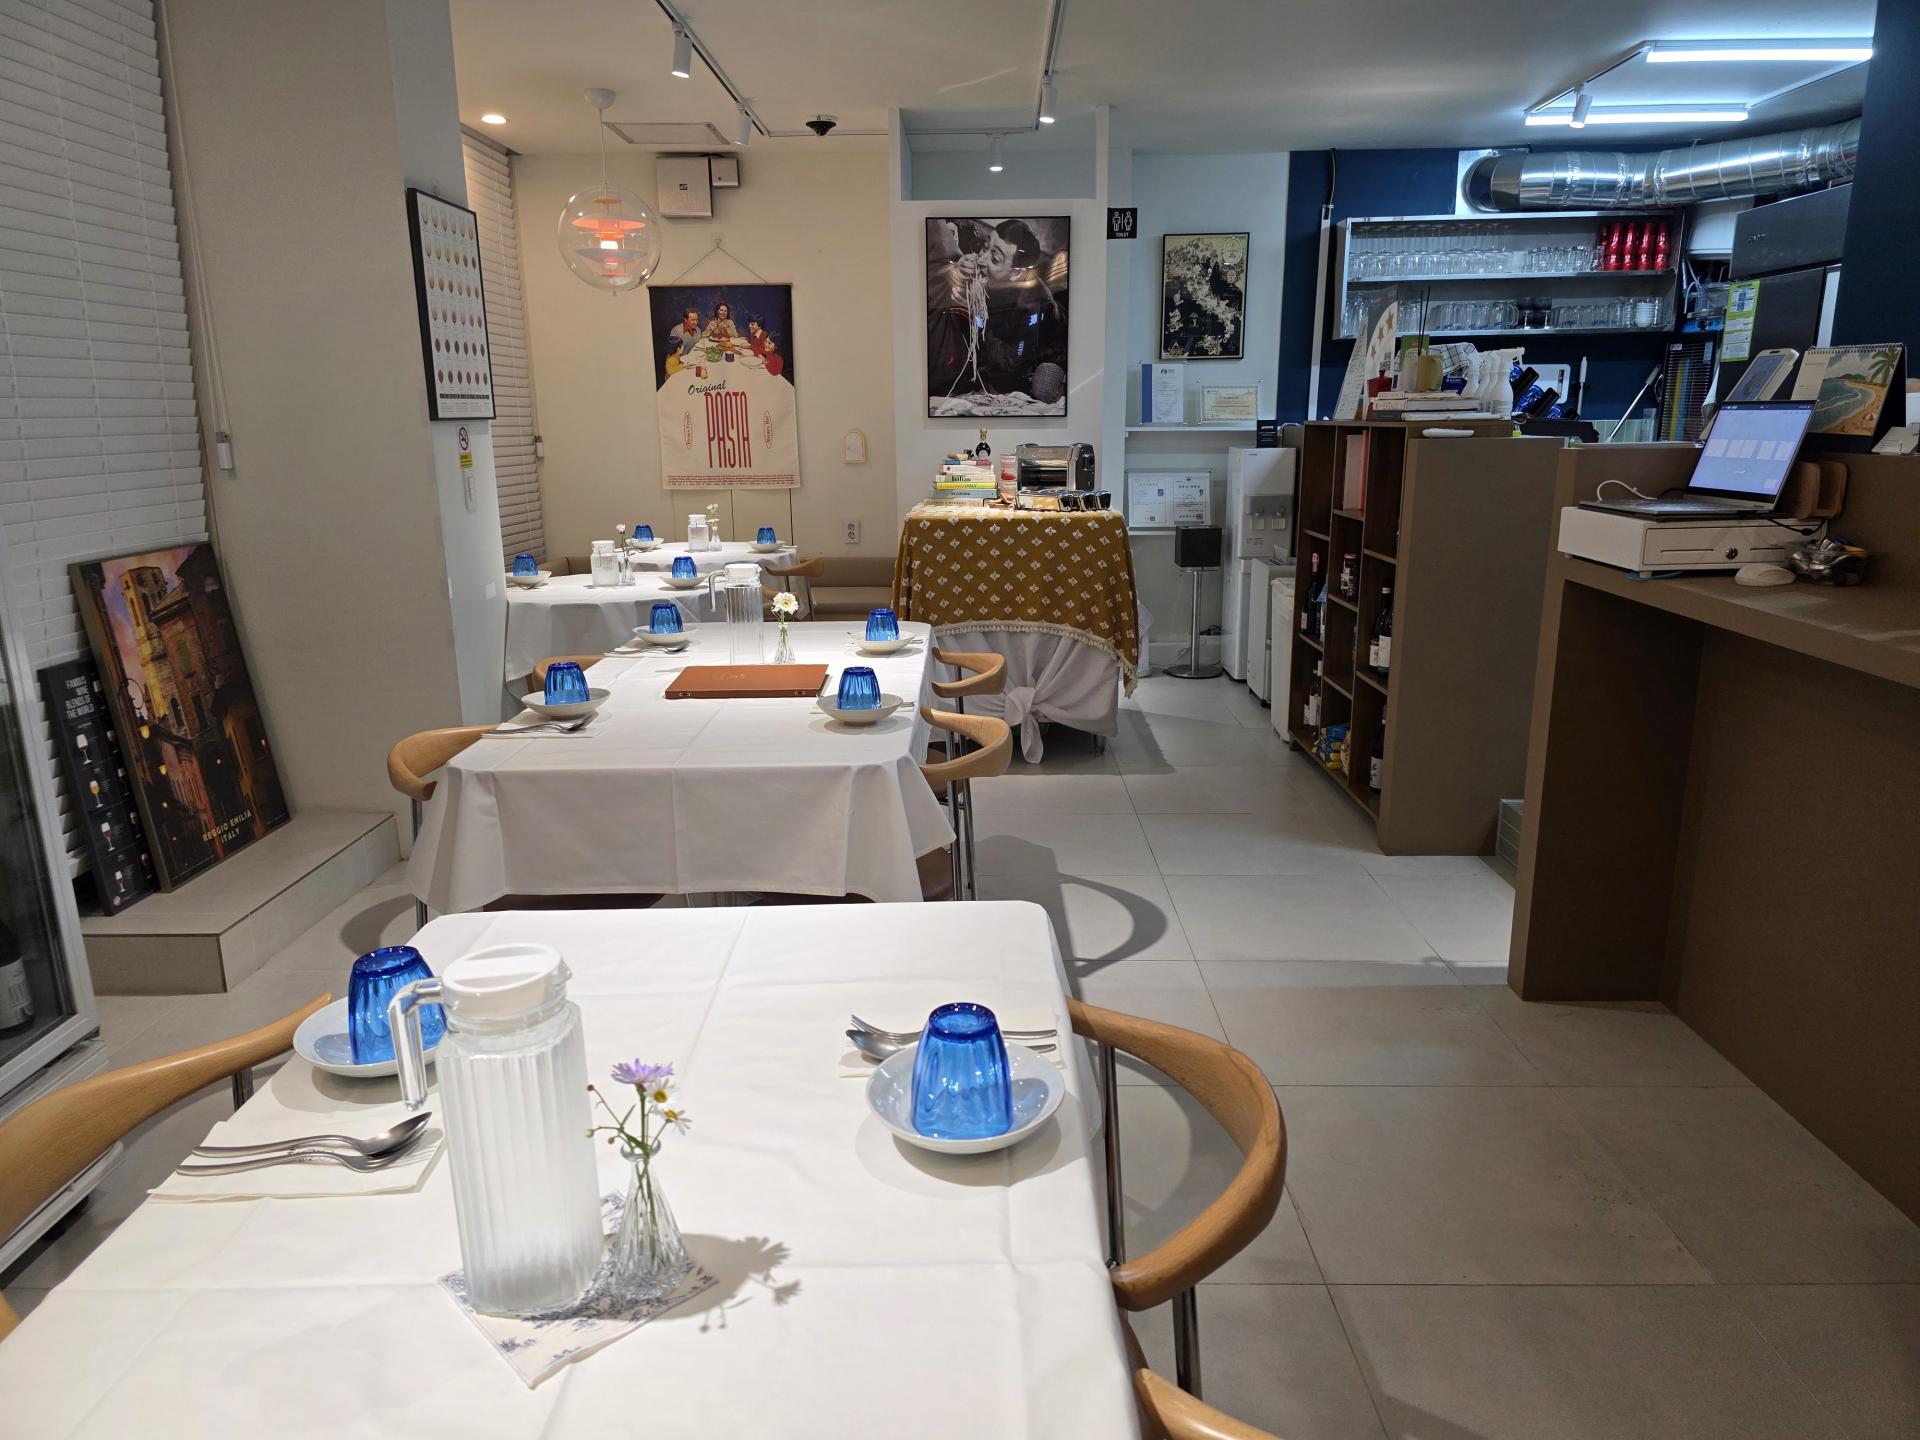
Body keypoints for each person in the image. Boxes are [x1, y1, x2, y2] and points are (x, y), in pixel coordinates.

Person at [664, 306, 702, 375]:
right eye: (693, 320)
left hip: (692, 364)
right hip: (678, 368)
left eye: (697, 320)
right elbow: (672, 354)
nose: (696, 322)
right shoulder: (676, 331)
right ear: (685, 319)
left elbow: (699, 347)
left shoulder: (698, 330)